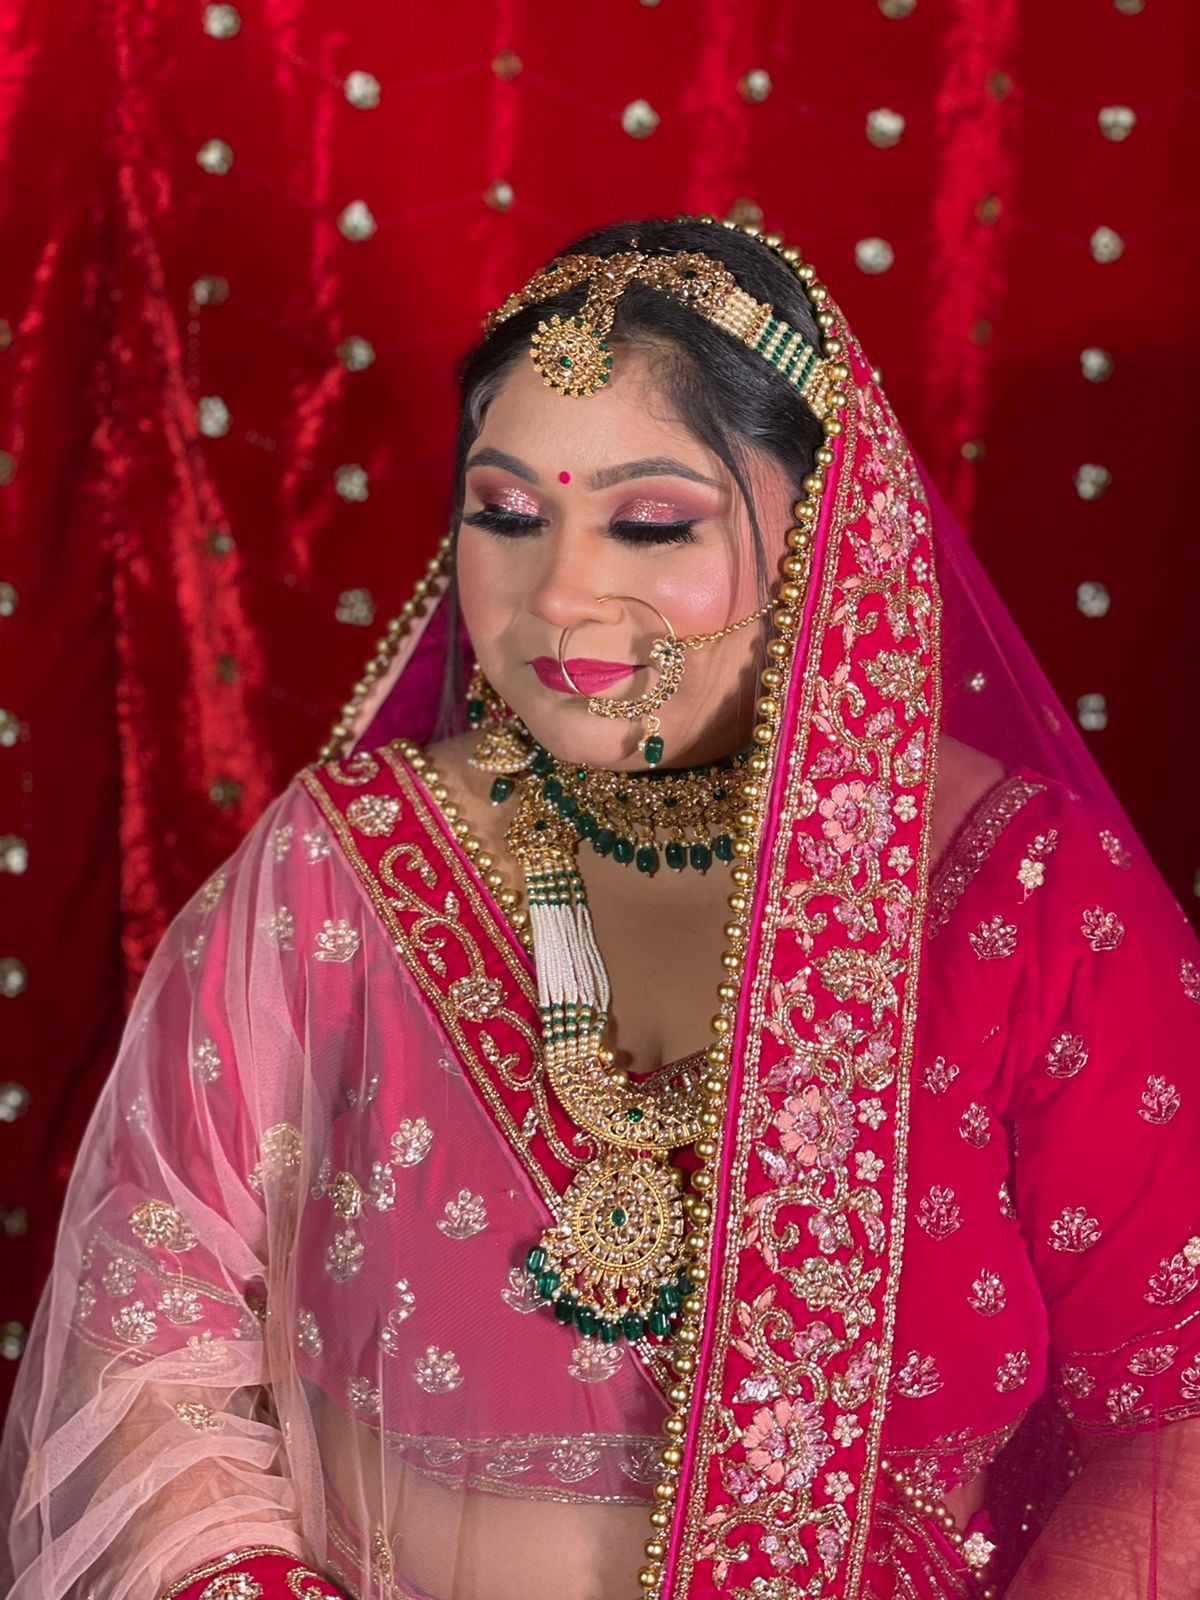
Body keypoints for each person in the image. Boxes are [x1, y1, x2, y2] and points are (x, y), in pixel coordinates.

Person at [1, 217, 1197, 1600]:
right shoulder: (343, 866)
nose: (561, 592)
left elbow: (1175, 1409)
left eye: (650, 522)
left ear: (829, 530)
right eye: (508, 515)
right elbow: (148, 1334)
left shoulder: (1026, 894)